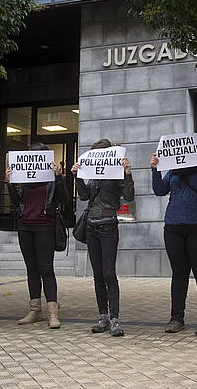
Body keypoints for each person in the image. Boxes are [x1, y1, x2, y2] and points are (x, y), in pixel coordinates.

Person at [150, 151, 197, 336]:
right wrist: (155, 170)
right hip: (174, 227)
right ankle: (176, 319)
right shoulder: (174, 172)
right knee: (179, 274)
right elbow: (160, 190)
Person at [71, 139, 133, 337]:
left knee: (108, 273)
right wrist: (77, 177)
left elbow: (129, 196)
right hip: (91, 226)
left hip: (108, 225)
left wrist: (127, 174)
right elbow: (82, 196)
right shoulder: (91, 176)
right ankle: (103, 316)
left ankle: (115, 319)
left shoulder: (116, 174)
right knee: (98, 274)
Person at [7, 143, 68, 329]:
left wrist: (59, 178)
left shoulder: (52, 179)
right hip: (25, 226)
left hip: (45, 226)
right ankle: (34, 310)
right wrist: (10, 182)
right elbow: (16, 202)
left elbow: (65, 199)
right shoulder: (23, 178)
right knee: (31, 269)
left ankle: (52, 313)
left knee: (46, 269)